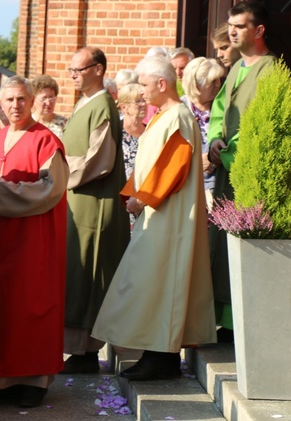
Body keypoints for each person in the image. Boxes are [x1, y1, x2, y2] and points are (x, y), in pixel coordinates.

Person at [92, 57, 216, 380]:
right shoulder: (164, 116)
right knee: (151, 283)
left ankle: (161, 357)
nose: (142, 93)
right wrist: (132, 194)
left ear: (162, 84)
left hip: (169, 219)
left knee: (159, 283)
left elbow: (172, 167)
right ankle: (155, 353)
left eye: (145, 86)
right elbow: (149, 163)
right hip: (156, 214)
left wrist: (141, 198)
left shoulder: (178, 117)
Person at [0, 76, 68, 408]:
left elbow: (50, 189)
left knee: (32, 304)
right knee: (2, 307)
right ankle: (2, 380)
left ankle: (34, 380)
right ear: (0, 104)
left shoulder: (45, 140)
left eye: (21, 99)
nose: (15, 105)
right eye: (9, 100)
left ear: (31, 102)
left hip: (33, 238)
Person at [207, 0, 276, 342]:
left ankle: (238, 325)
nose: (232, 30)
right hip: (226, 170)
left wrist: (231, 149)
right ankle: (223, 320)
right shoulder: (236, 68)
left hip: (248, 173)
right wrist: (215, 141)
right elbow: (219, 110)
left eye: (240, 25)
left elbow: (263, 123)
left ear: (259, 30)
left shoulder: (271, 70)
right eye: (230, 24)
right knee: (221, 243)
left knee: (241, 243)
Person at [61, 47, 130, 373]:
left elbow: (99, 161)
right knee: (75, 272)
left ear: (98, 69)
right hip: (78, 202)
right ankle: (76, 349)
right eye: (71, 69)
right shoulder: (84, 104)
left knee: (87, 273)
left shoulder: (101, 104)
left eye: (79, 69)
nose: (73, 74)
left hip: (95, 205)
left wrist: (58, 174)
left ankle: (86, 351)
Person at [180, 57, 225, 208]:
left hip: (218, 189)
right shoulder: (179, 109)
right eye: (212, 81)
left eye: (219, 80)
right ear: (195, 84)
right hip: (186, 189)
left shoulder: (223, 108)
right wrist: (196, 162)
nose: (218, 85)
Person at [117, 82, 147, 228]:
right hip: (119, 202)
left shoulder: (151, 132)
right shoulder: (115, 132)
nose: (143, 104)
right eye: (138, 101)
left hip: (144, 201)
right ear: (124, 107)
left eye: (144, 100)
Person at [31, 74, 68, 139]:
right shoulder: (27, 123)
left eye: (51, 98)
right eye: (44, 98)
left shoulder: (64, 124)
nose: (48, 103)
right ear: (33, 99)